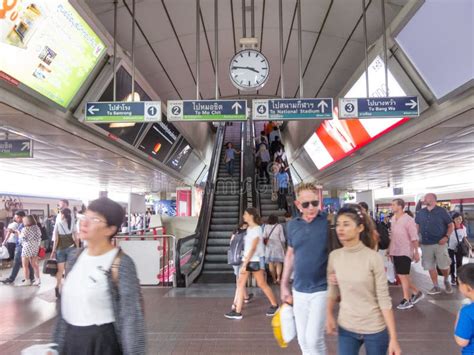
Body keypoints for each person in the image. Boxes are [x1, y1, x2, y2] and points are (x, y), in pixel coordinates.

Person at [53, 197, 145, 354]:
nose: (84, 223)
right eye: (84, 216)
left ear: (111, 229)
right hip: (70, 342)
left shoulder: (121, 263)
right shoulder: (74, 257)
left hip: (101, 344)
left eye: (94, 219)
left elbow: (131, 319)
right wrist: (55, 347)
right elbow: (64, 313)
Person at [326, 204, 401, 355]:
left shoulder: (373, 258)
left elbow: (384, 299)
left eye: (346, 224)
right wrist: (328, 314)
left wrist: (393, 338)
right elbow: (332, 291)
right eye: (338, 224)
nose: (340, 229)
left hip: (374, 328)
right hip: (346, 327)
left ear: (360, 228)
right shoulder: (334, 256)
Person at [280, 183, 329, 354]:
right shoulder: (292, 225)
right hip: (299, 290)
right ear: (297, 204)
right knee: (303, 340)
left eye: (315, 203)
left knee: (314, 339)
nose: (311, 208)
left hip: (322, 289)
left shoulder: (327, 223)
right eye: (306, 204)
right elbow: (290, 255)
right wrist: (284, 284)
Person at [225, 208, 278, 320]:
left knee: (261, 284)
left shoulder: (257, 229)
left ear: (251, 216)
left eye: (245, 214)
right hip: (248, 260)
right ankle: (237, 311)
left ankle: (275, 305)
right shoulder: (249, 229)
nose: (244, 216)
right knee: (241, 284)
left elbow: (253, 247)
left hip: (253, 261)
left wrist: (245, 263)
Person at [415, 193, 454, 295]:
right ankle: (436, 286)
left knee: (444, 265)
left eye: (426, 198)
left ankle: (446, 279)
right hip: (425, 244)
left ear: (433, 200)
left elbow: (451, 225)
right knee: (430, 266)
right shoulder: (421, 212)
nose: (424, 200)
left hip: (440, 243)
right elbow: (417, 226)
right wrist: (416, 239)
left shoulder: (442, 211)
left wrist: (446, 237)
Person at [389, 198, 424, 310]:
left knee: (403, 276)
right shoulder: (393, 219)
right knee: (402, 276)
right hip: (395, 250)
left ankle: (407, 299)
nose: (392, 206)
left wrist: (416, 252)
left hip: (404, 251)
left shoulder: (408, 220)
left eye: (393, 204)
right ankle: (417, 292)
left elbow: (414, 237)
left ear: (400, 206)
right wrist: (389, 250)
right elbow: (393, 236)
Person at [1, 211, 34, 285]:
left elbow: (22, 236)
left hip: (21, 246)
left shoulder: (25, 224)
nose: (16, 219)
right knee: (27, 263)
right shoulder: (24, 224)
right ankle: (32, 278)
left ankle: (11, 278)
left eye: (17, 217)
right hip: (24, 246)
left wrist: (14, 232)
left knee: (17, 262)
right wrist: (14, 232)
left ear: (21, 217)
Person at [52, 208, 79, 298]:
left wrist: (53, 251)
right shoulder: (72, 222)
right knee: (68, 270)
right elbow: (76, 237)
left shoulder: (58, 223)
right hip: (71, 248)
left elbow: (56, 239)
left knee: (60, 271)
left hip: (60, 249)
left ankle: (57, 286)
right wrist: (78, 248)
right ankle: (67, 289)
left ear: (62, 214)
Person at [229, 222, 253, 311]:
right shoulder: (247, 234)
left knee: (239, 280)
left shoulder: (235, 233)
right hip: (243, 260)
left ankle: (246, 297)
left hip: (234, 259)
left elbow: (230, 244)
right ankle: (234, 304)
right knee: (240, 282)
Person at [454, 264, 474, 354]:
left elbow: (461, 341)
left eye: (459, 283)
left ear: (468, 288)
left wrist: (459, 316)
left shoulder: (467, 312)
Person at [449, 213, 471, 285]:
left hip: (459, 248)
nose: (459, 220)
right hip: (450, 248)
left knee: (459, 263)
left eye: (460, 219)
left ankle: (458, 278)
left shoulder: (463, 227)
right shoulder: (450, 227)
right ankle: (452, 277)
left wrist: (468, 244)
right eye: (457, 219)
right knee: (452, 263)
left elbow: (464, 238)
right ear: (453, 219)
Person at [263, 215, 286, 285]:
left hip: (269, 247)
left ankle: (274, 279)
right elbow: (282, 238)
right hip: (278, 246)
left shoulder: (266, 226)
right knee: (279, 263)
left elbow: (264, 236)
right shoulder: (279, 226)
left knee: (271, 263)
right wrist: (284, 247)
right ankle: (279, 278)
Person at [20, 215, 42, 286]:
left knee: (25, 265)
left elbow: (21, 239)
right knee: (34, 264)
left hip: (27, 247)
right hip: (35, 246)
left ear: (27, 221)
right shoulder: (37, 228)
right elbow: (39, 237)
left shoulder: (25, 229)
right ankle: (38, 280)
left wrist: (18, 233)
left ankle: (27, 280)